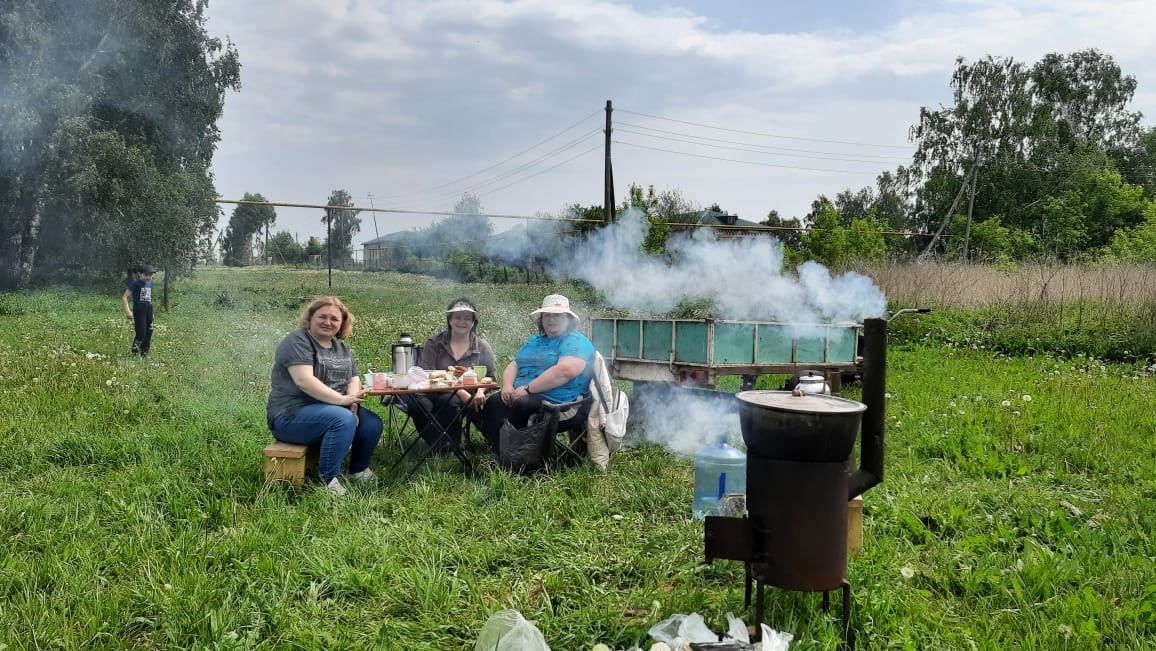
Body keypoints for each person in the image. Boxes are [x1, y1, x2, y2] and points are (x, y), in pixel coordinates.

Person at [266, 296, 383, 496]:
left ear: (342, 324)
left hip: (332, 409)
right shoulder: (297, 341)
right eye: (322, 317)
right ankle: (328, 480)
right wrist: (343, 402)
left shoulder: (341, 348)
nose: (328, 322)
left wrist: (352, 401)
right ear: (310, 318)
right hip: (290, 415)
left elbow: (353, 378)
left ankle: (358, 469)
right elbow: (304, 381)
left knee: (372, 423)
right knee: (341, 419)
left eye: (334, 319)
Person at [480, 294, 596, 454]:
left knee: (522, 404)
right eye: (547, 315)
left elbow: (566, 370)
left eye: (557, 315)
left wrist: (528, 389)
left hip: (562, 402)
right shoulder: (534, 341)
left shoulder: (575, 341)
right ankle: (500, 451)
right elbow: (514, 365)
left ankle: (525, 457)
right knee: (493, 402)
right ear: (541, 319)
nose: (551, 319)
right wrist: (507, 386)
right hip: (524, 392)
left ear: (568, 319)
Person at [405, 297, 498, 451]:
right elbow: (425, 374)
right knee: (416, 404)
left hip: (468, 399)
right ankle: (439, 442)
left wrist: (481, 391)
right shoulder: (435, 342)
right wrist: (459, 390)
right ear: (450, 320)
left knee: (449, 400)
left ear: (474, 321)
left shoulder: (482, 346)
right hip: (430, 393)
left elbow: (492, 377)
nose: (462, 321)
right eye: (458, 317)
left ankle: (449, 446)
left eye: (467, 318)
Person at [122, 264, 156, 356]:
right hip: (139, 311)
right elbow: (125, 297)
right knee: (141, 333)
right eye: (146, 275)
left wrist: (151, 314)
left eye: (151, 275)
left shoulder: (149, 283)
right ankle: (134, 352)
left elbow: (149, 298)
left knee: (150, 330)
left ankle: (144, 353)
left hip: (149, 309)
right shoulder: (135, 284)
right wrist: (128, 311)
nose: (149, 277)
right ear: (140, 274)